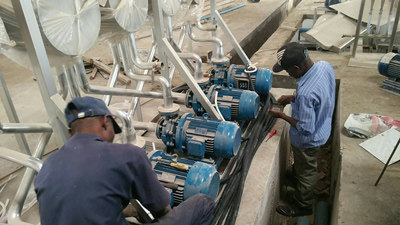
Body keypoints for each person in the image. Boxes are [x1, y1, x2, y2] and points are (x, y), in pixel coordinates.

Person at [34, 96, 215, 225]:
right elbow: (162, 209)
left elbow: (79, 206)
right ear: (105, 122)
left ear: (70, 133)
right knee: (202, 203)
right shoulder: (128, 154)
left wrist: (126, 210)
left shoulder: (46, 166)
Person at [268, 42, 336, 217]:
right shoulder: (324, 66)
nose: (287, 74)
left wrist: (282, 116)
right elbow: (320, 96)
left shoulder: (306, 93)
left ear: (297, 67)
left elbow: (306, 128)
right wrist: (292, 98)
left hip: (308, 140)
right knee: (303, 165)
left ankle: (303, 205)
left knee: (308, 173)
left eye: (288, 70)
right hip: (323, 127)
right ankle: (297, 175)